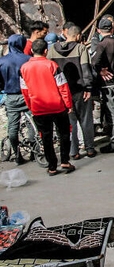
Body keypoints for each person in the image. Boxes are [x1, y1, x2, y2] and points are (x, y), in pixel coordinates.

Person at [20, 39, 74, 176]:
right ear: (46, 51)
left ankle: (52, 166)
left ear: (32, 51)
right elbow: (63, 87)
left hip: (38, 108)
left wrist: (31, 106)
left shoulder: (24, 68)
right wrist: (68, 104)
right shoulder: (52, 65)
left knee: (46, 137)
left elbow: (25, 91)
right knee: (64, 133)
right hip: (57, 106)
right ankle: (65, 161)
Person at [49, 25, 96, 159]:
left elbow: (50, 71)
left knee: (70, 122)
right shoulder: (81, 48)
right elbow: (86, 69)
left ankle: (73, 151)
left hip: (62, 92)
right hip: (80, 90)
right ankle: (90, 148)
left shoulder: (52, 50)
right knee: (86, 119)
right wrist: (88, 88)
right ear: (78, 35)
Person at [91, 16, 114, 153]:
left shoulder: (102, 45)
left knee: (112, 112)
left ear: (99, 30)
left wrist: (101, 70)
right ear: (112, 29)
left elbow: (94, 62)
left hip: (108, 84)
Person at [0, 34, 31, 164]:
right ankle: (35, 150)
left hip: (11, 97)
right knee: (32, 123)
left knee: (13, 127)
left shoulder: (2, 61)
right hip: (28, 95)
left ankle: (17, 154)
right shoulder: (28, 59)